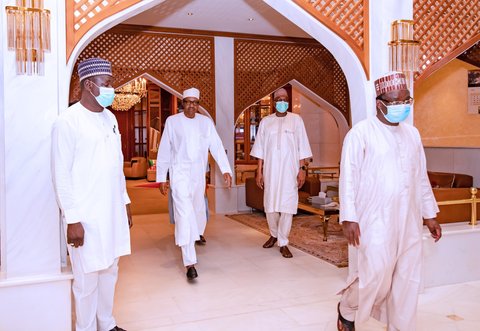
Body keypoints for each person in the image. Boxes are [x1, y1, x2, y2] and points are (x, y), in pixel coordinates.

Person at [336, 72, 442, 331]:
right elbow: (348, 177)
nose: (402, 106)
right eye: (395, 101)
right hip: (374, 219)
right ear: (379, 103)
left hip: (408, 218)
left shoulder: (413, 135)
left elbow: (421, 177)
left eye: (406, 100)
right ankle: (347, 307)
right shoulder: (360, 133)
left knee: (407, 279)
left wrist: (429, 214)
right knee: (376, 276)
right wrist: (349, 216)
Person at [51, 58, 131, 331]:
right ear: (89, 85)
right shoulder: (67, 121)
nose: (112, 89)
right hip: (85, 215)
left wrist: (125, 202)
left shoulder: (110, 118)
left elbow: (117, 163)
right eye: (107, 84)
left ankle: (107, 324)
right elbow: (60, 173)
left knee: (111, 270)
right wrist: (72, 219)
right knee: (86, 280)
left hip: (112, 210)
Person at [156, 87, 232, 280]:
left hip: (198, 176)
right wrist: (161, 177)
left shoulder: (206, 123)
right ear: (182, 103)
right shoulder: (172, 122)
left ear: (199, 105)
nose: (191, 105)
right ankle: (190, 262)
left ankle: (193, 236)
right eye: (188, 102)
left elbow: (215, 146)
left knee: (198, 214)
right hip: (179, 174)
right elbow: (164, 150)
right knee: (185, 214)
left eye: (195, 102)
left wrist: (226, 169)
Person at [250, 88, 312, 258]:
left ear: (288, 102)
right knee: (270, 206)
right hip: (270, 171)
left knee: (287, 206)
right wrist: (259, 171)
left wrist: (302, 170)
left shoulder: (296, 120)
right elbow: (260, 149)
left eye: (285, 99)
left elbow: (302, 147)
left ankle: (283, 242)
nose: (282, 102)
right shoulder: (265, 122)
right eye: (279, 99)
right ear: (274, 102)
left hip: (290, 171)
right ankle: (274, 234)